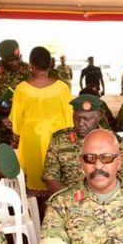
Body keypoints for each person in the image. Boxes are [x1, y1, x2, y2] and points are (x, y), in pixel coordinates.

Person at [10, 46, 73, 193]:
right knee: (57, 180)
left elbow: (16, 124)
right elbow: (70, 120)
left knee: (34, 183)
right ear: (50, 64)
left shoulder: (21, 89)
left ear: (30, 65)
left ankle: (37, 204)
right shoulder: (63, 88)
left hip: (31, 139)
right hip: (57, 139)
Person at [43, 94, 123, 194]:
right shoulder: (59, 140)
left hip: (107, 198)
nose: (81, 123)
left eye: (87, 119)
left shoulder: (112, 140)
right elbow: (50, 178)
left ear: (98, 117)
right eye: (77, 118)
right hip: (70, 198)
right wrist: (73, 199)